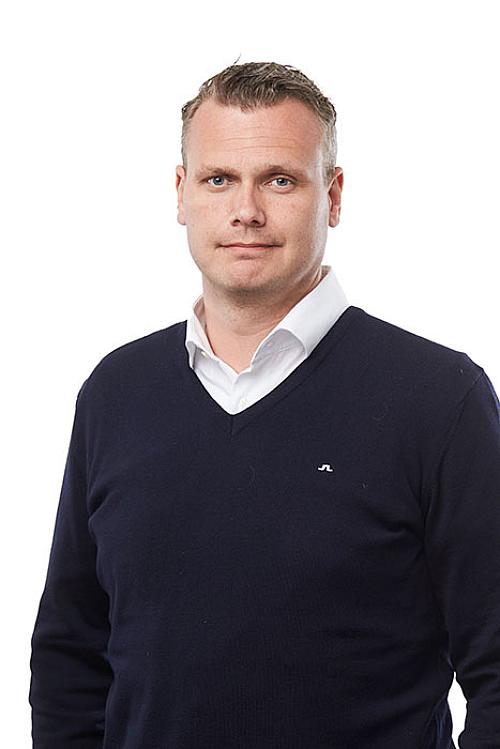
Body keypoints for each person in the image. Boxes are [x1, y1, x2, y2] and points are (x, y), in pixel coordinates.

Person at [29, 61, 500, 749]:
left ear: (332, 196)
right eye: (219, 179)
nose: (245, 210)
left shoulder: (440, 398)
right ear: (182, 193)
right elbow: (71, 653)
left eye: (279, 180)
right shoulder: (116, 392)